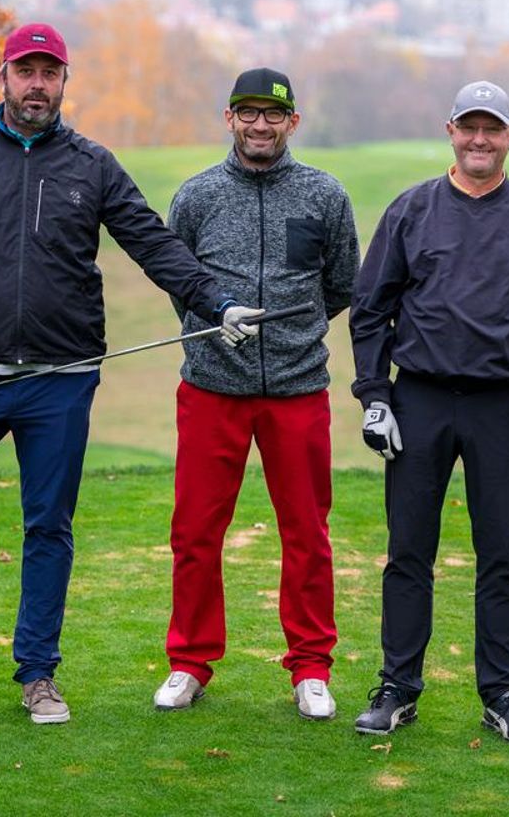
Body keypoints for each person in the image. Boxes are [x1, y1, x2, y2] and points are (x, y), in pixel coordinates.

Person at [0, 23, 261, 725]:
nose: (37, 84)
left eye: (49, 72)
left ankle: (38, 674)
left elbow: (152, 242)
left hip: (60, 380)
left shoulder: (92, 164)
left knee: (48, 526)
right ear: (3, 76)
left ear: (64, 81)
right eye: (25, 71)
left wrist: (216, 302)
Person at [348, 80, 509, 744]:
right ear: (450, 130)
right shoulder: (411, 210)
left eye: (493, 129)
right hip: (418, 399)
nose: (480, 140)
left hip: (500, 405)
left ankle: (504, 693)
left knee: (502, 555)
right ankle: (398, 687)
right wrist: (375, 396)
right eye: (469, 127)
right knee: (408, 551)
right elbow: (371, 309)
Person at [152, 68, 359, 720]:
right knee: (195, 531)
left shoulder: (324, 195)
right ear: (230, 119)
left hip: (297, 389)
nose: (260, 125)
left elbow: (341, 285)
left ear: (292, 121)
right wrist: (213, 327)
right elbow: (179, 280)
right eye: (248, 113)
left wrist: (292, 336)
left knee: (307, 532)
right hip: (212, 388)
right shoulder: (197, 196)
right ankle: (190, 661)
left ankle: (311, 667)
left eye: (272, 114)